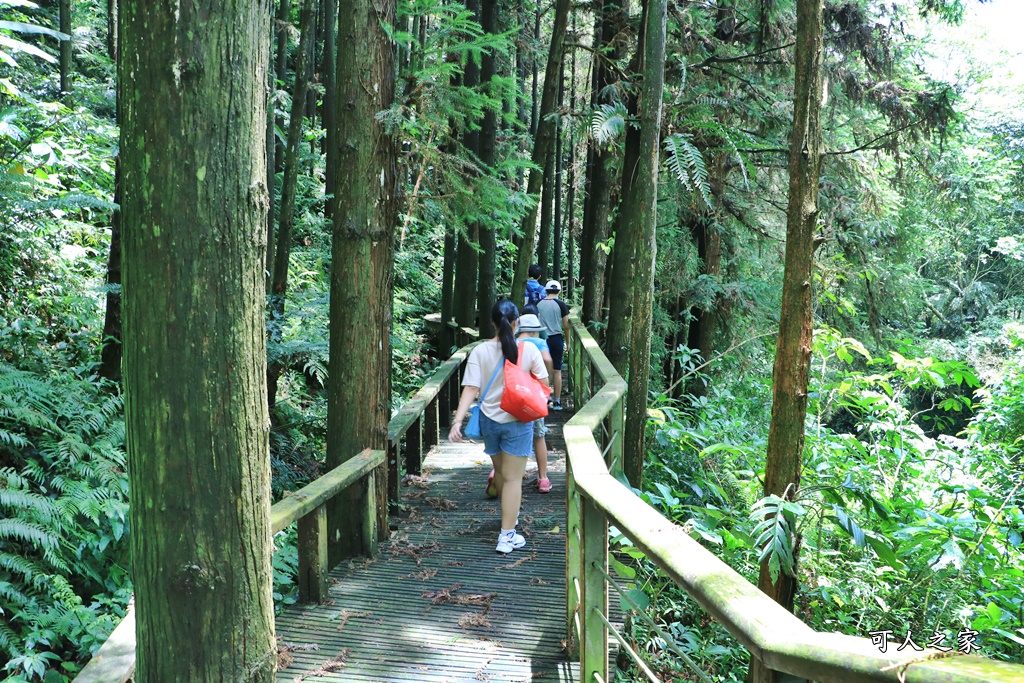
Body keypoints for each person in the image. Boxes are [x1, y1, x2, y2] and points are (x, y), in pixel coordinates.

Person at [449, 300, 549, 553]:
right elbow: (543, 385)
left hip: (489, 422)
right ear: (516, 322)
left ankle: (509, 521)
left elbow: (471, 388)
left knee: (503, 474)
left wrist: (458, 421)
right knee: (514, 479)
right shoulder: (528, 350)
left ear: (493, 322)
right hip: (518, 421)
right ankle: (507, 536)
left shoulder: (480, 351)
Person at [516, 314, 553, 493]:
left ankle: (499, 473)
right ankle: (543, 478)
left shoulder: (510, 343)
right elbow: (547, 360)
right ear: (535, 330)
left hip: (513, 396)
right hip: (533, 396)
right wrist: (547, 384)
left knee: (510, 437)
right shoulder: (538, 344)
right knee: (539, 436)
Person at [537, 280, 569, 410]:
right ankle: (556, 401)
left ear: (546, 291)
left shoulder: (537, 304)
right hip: (556, 339)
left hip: (541, 340)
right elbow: (566, 325)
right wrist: (568, 341)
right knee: (557, 370)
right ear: (559, 291)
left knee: (541, 370)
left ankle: (544, 398)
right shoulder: (561, 305)